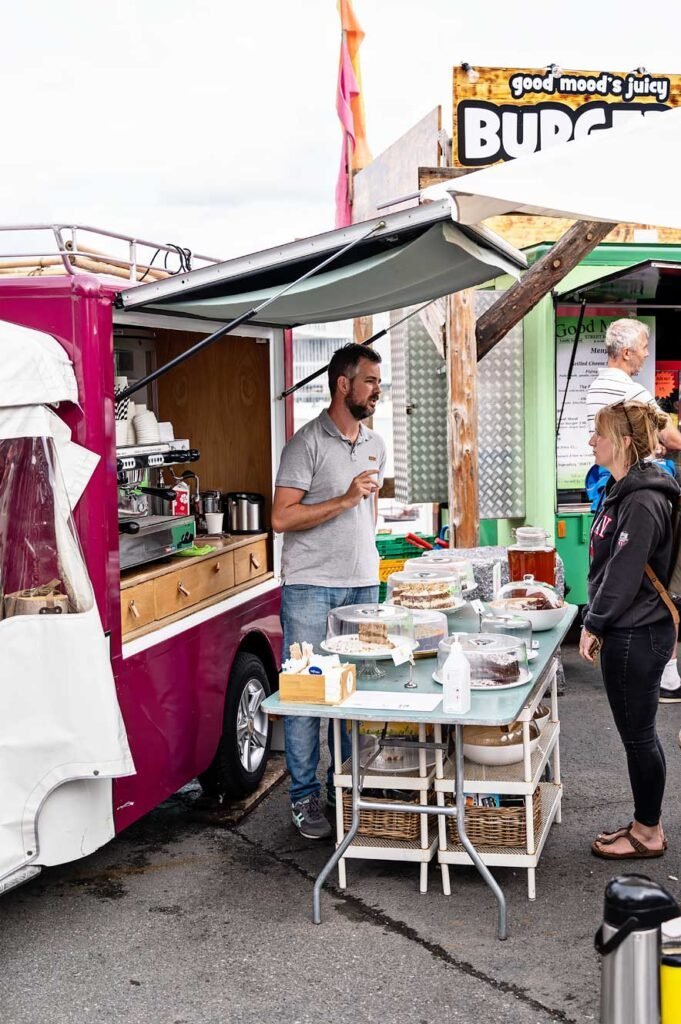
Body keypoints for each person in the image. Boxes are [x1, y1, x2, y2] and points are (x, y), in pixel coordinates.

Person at [271, 343, 386, 839]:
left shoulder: (376, 443)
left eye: (379, 382)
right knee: (306, 696)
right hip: (310, 587)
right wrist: (343, 499)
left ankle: (345, 788)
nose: (378, 390)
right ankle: (304, 796)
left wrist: (367, 557)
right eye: (370, 381)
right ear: (343, 384)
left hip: (363, 585)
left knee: (357, 693)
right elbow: (281, 518)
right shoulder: (305, 444)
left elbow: (368, 514)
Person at [580, 401, 679, 859]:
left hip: (637, 632)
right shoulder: (625, 489)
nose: (591, 441)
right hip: (632, 628)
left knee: (639, 737)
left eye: (598, 434)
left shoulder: (642, 498)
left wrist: (593, 622)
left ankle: (648, 832)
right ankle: (644, 822)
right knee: (637, 735)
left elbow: (623, 573)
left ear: (621, 442)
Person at [586, 318, 681, 701]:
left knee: (615, 562)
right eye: (643, 348)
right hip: (638, 479)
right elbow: (669, 437)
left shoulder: (597, 386)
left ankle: (656, 669)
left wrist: (595, 622)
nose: (645, 355)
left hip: (612, 484)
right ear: (626, 353)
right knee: (656, 578)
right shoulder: (631, 391)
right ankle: (667, 673)